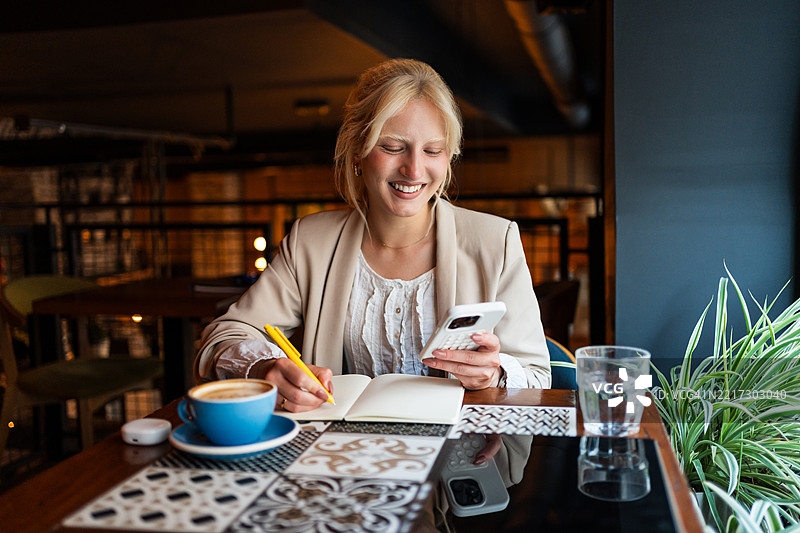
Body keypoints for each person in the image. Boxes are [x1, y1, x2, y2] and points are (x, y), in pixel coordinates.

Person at [194, 57, 550, 415]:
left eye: (432, 150)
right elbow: (224, 336)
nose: (413, 169)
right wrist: (265, 368)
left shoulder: (496, 241)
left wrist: (494, 373)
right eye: (393, 147)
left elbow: (538, 376)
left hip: (458, 458)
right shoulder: (310, 242)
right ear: (357, 151)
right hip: (340, 458)